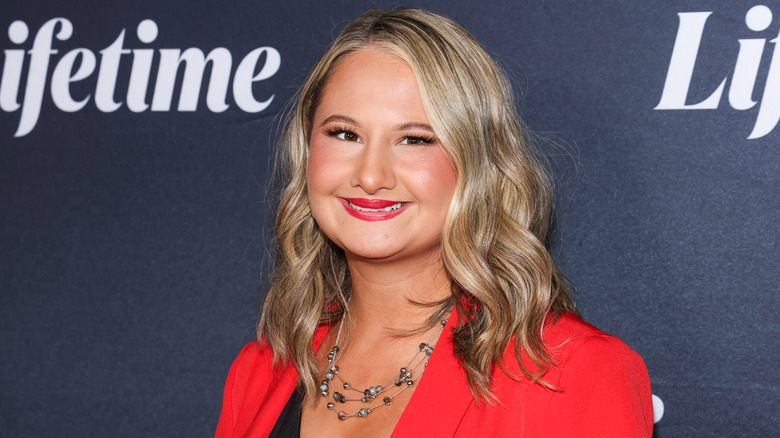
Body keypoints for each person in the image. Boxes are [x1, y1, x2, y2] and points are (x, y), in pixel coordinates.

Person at [216, 7, 653, 438]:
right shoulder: (259, 370)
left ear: (476, 164)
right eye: (345, 134)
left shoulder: (574, 371)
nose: (370, 175)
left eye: (415, 139)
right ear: (307, 151)